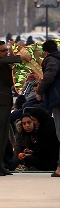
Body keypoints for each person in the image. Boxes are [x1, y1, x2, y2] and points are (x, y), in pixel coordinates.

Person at [0, 39, 31, 176]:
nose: (6, 53)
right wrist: (19, 58)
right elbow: (2, 61)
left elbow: (9, 81)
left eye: (7, 50)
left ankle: (0, 166)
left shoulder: (3, 64)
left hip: (4, 102)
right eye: (3, 50)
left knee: (4, 137)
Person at [35, 39, 60, 177]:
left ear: (46, 52)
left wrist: (40, 91)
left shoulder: (51, 60)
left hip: (58, 99)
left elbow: (50, 74)